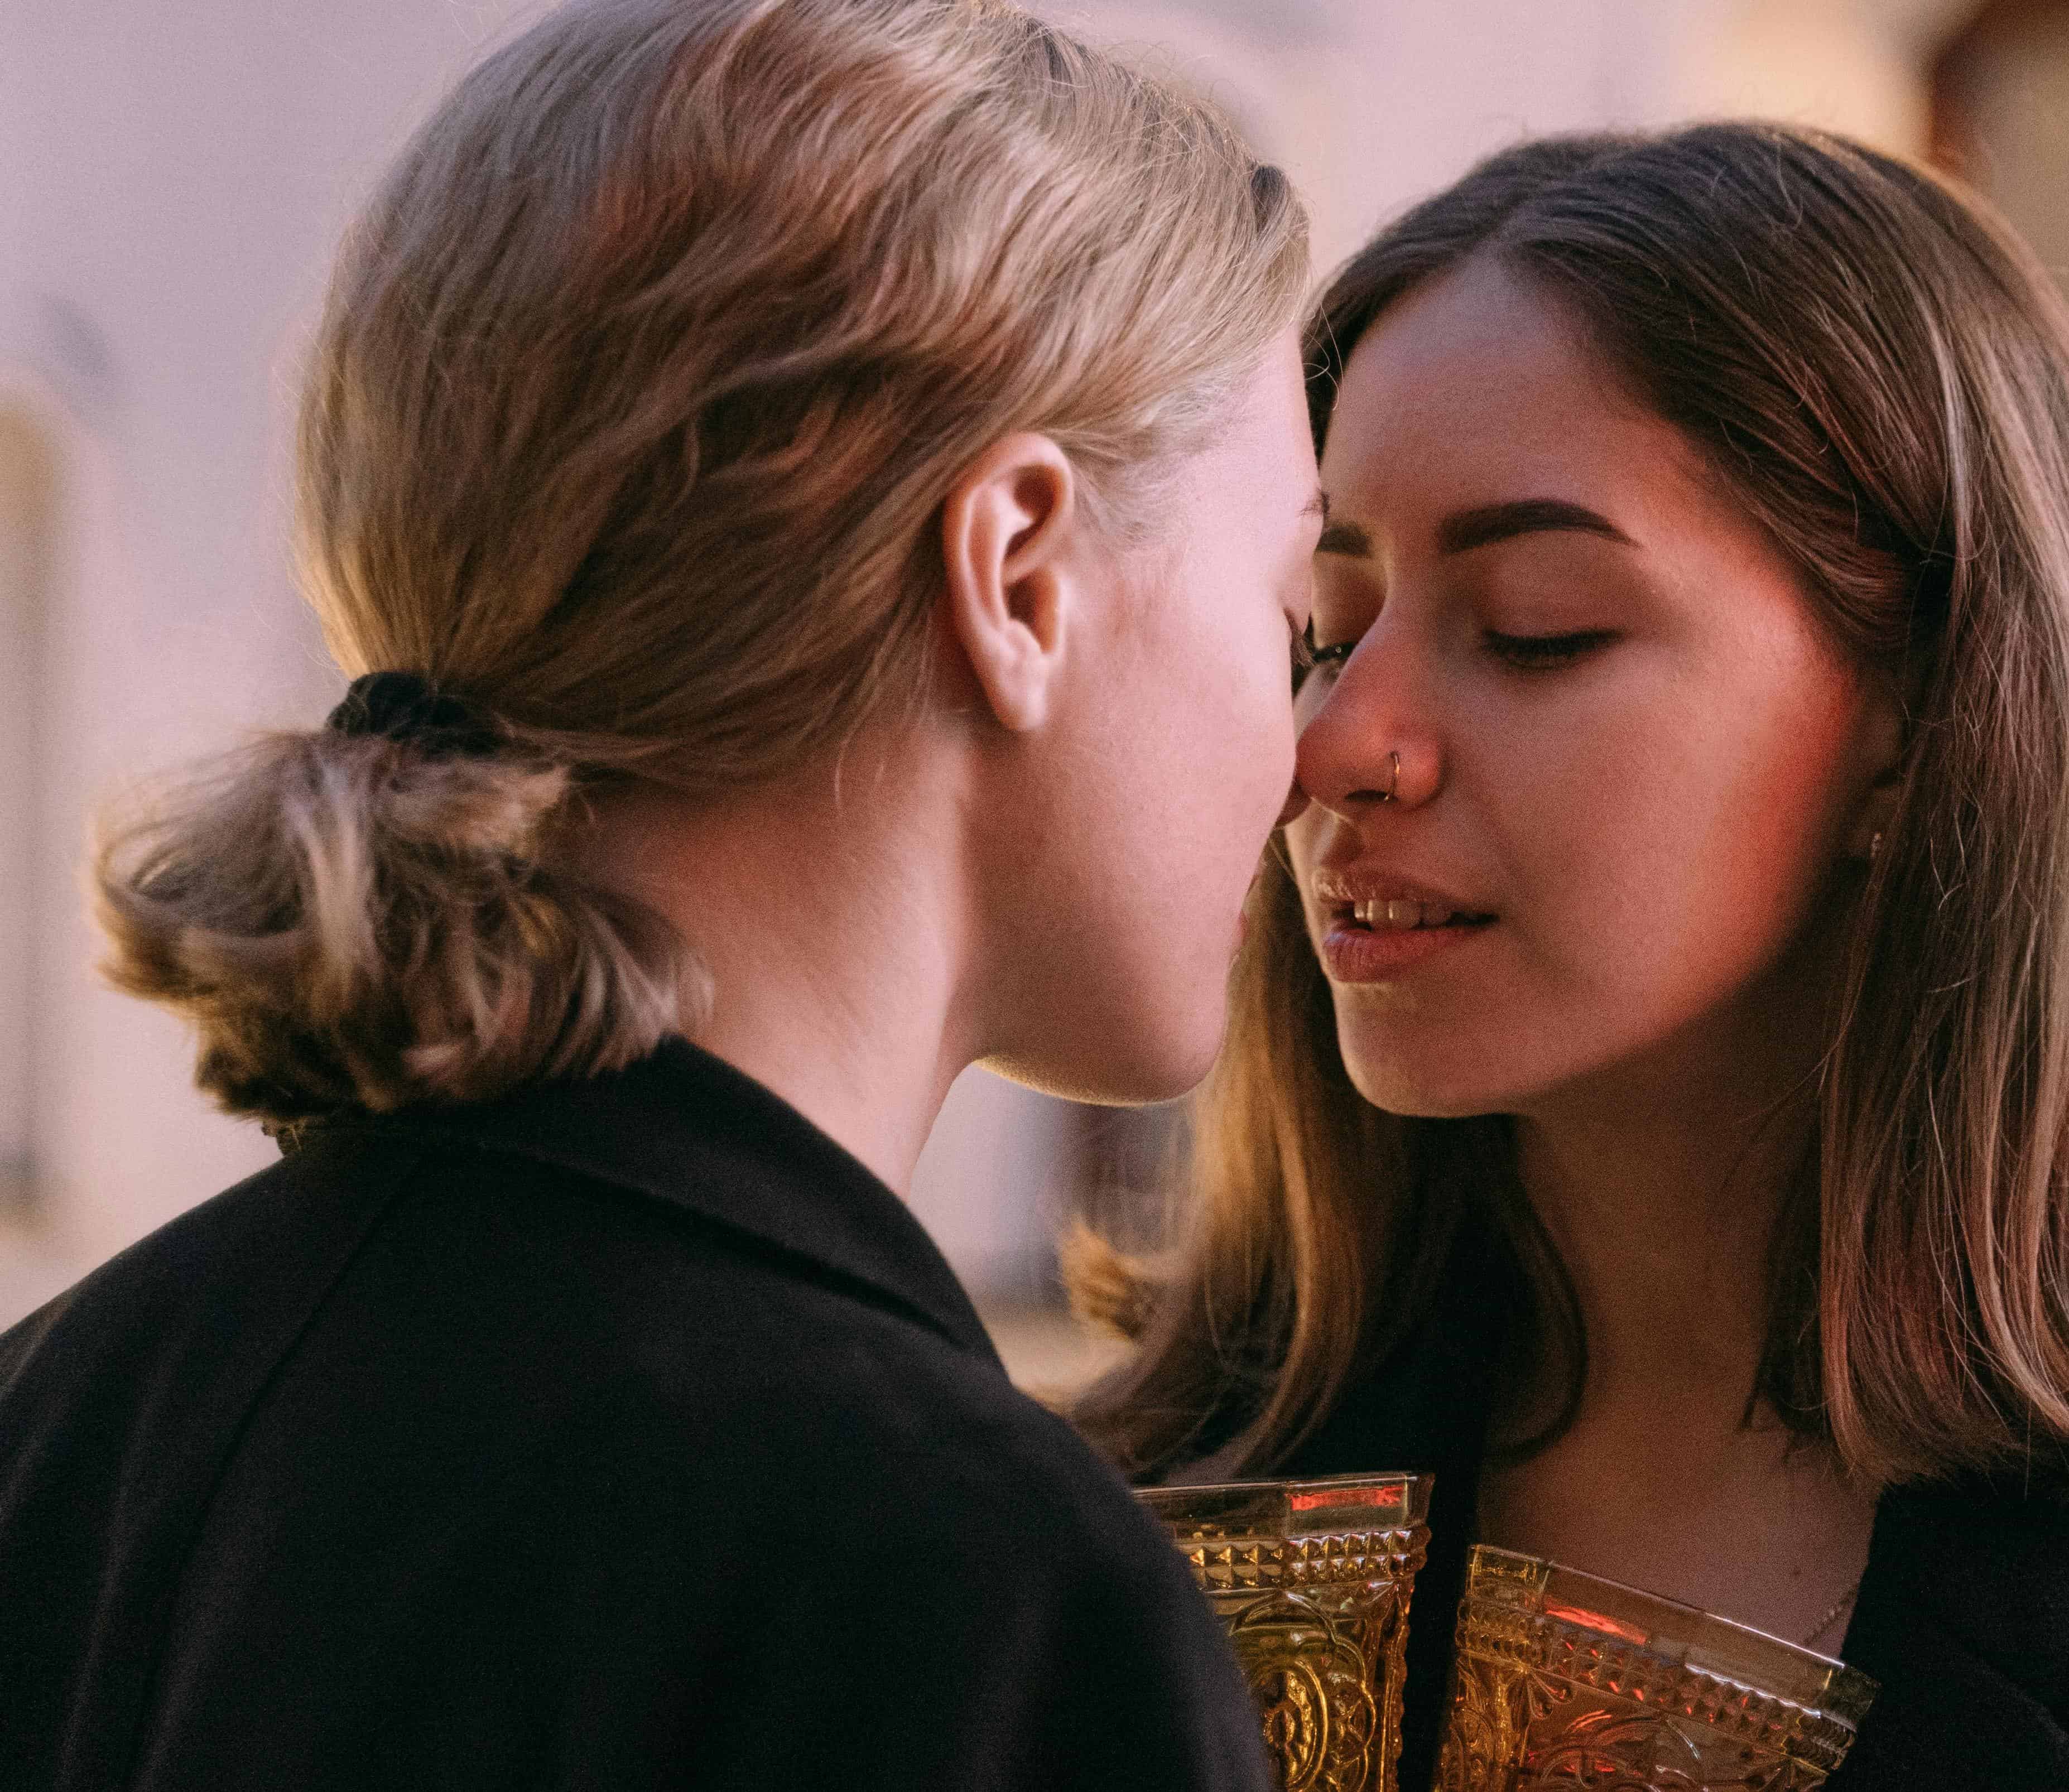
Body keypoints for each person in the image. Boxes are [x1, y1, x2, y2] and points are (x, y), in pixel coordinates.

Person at [1070, 123, 2069, 1789]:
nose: (1339, 744)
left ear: (1924, 719)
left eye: (1536, 627)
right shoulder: (1093, 1527)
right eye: (1324, 633)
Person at [0, 1, 1317, 1785]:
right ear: (1016, 574)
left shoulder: (61, 1416)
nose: (1319, 742)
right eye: (1294, 614)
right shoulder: (966, 1579)